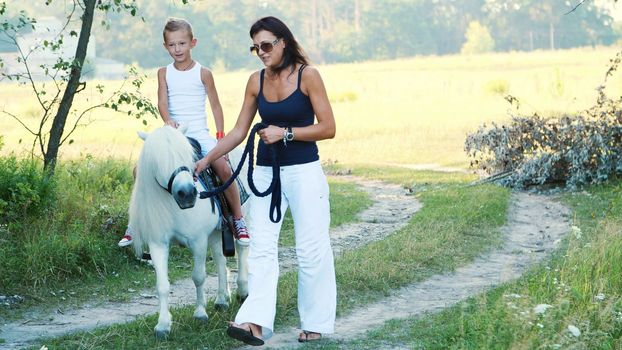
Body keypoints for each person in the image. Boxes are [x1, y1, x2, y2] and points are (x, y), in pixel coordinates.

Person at [194, 16, 336, 346]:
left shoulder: (308, 76)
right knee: (259, 249)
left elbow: (328, 127)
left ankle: (315, 322)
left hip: (304, 172)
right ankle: (254, 323)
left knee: (311, 248)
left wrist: (286, 133)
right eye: (255, 47)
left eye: (267, 45)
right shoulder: (255, 82)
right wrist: (206, 159)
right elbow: (239, 132)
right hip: (265, 173)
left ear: (283, 42)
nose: (261, 52)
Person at [119, 18, 250, 247]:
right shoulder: (163, 72)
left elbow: (216, 106)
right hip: (174, 133)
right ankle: (136, 223)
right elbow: (162, 102)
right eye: (172, 45)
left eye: (181, 43)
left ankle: (237, 218)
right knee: (141, 169)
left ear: (192, 43)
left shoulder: (203, 73)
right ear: (165, 46)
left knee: (223, 168)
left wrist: (220, 138)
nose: (177, 49)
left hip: (199, 132)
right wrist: (168, 120)